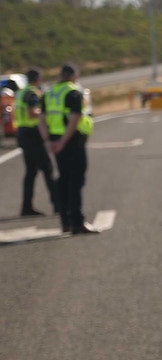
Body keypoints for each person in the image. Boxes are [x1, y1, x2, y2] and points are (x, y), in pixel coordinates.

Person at [39, 63, 99, 235]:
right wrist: (64, 141)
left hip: (55, 141)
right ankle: (77, 223)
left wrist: (47, 141)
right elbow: (75, 119)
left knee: (63, 180)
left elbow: (41, 120)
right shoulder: (73, 92)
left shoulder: (49, 94)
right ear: (74, 76)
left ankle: (65, 222)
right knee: (76, 182)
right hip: (72, 142)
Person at [15, 68, 58, 216]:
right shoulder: (32, 93)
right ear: (37, 79)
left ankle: (26, 207)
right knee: (47, 169)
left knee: (31, 172)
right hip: (33, 135)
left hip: (23, 133)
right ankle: (58, 204)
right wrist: (45, 113)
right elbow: (32, 113)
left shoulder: (21, 92)